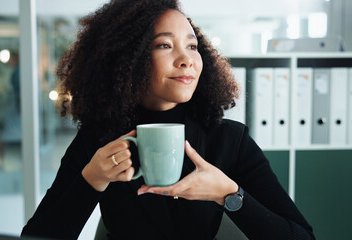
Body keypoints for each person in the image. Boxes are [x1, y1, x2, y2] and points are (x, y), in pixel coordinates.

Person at [21, 0, 315, 239]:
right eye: (164, 45)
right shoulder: (100, 141)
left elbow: (301, 236)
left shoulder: (229, 141)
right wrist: (92, 179)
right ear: (128, 58)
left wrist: (229, 194)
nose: (186, 59)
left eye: (192, 45)